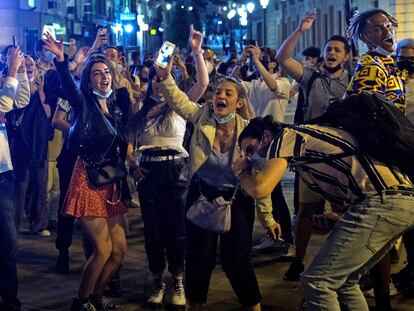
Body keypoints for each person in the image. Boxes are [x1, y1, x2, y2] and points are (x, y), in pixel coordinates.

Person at [233, 117, 414, 311]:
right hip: (399, 201)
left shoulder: (286, 136)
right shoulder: (305, 154)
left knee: (317, 282)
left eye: (251, 150)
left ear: (265, 137)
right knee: (343, 283)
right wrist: (336, 219)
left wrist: (242, 173)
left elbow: (261, 189)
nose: (251, 158)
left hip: (382, 201)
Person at [154, 54, 278, 311]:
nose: (220, 96)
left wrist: (268, 219)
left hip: (238, 199)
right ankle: (195, 305)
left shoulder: (249, 131)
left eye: (228, 93)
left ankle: (253, 307)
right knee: (199, 259)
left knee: (237, 262)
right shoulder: (202, 118)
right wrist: (166, 78)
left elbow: (259, 179)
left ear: (239, 102)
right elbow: (179, 100)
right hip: (202, 195)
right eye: (217, 92)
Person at [43, 33, 130, 311]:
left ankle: (96, 296)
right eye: (96, 73)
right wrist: (61, 59)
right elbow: (68, 87)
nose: (103, 76)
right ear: (88, 80)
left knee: (119, 251)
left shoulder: (113, 106)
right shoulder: (84, 103)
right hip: (89, 179)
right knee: (102, 249)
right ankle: (81, 301)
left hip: (111, 182)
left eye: (106, 72)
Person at [127, 24, 208, 308]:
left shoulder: (178, 106)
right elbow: (129, 144)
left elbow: (202, 85)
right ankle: (157, 279)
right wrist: (132, 166)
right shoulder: (139, 112)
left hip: (176, 170)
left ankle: (177, 280)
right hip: (149, 171)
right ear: (149, 85)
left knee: (176, 230)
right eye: (154, 82)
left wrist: (196, 52)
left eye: (163, 81)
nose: (158, 86)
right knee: (152, 231)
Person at [276, 9, 351, 282]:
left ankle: (343, 263)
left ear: (346, 56)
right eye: (329, 49)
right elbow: (282, 58)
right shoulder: (311, 77)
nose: (331, 53)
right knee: (306, 209)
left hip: (342, 157)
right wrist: (300, 30)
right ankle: (298, 260)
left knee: (345, 211)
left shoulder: (353, 80)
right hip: (312, 154)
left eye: (337, 50)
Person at [346, 9, 405, 309]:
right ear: (365, 37)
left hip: (397, 155)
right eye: (378, 29)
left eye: (388, 26)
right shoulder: (370, 65)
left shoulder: (391, 62)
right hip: (382, 160)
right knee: (381, 232)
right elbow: (371, 115)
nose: (387, 32)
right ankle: (382, 298)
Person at [0, 46, 29, 311]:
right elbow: (3, 104)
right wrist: (11, 70)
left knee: (8, 244)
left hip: (3, 175)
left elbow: (20, 101)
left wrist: (21, 73)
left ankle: (10, 302)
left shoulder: (2, 81)